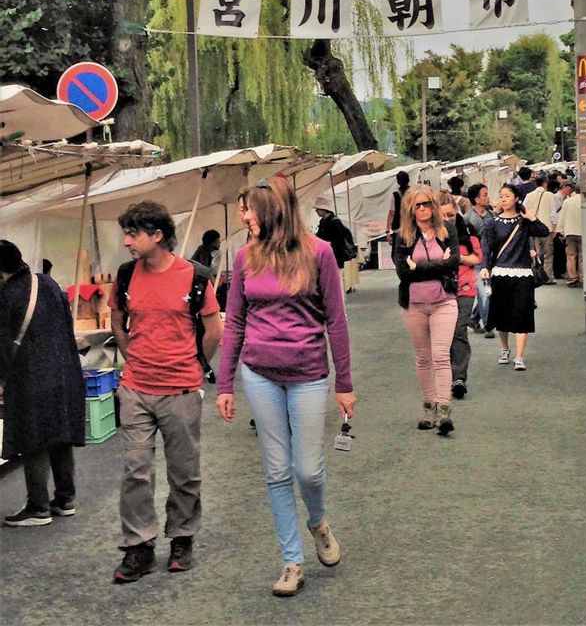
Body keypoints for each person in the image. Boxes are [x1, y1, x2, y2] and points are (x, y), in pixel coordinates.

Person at [216, 177, 356, 597]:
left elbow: (336, 321)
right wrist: (225, 382)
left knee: (307, 469)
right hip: (259, 373)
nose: (243, 216)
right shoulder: (245, 257)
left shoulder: (320, 253)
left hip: (309, 373)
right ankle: (291, 561)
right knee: (276, 471)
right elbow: (235, 321)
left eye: (249, 209)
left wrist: (344, 383)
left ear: (273, 211)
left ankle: (318, 522)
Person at [109, 201, 223, 582]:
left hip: (181, 389)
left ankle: (182, 538)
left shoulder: (194, 277)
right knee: (135, 471)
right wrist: (136, 360)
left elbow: (213, 330)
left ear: (157, 236)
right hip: (136, 388)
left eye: (132, 234)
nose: (126, 241)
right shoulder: (126, 276)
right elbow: (118, 322)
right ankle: (138, 546)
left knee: (184, 471)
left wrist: (192, 366)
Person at [0, 240, 85, 527]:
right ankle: (65, 499)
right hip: (65, 372)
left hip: (31, 377)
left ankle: (38, 507)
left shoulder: (7, 295)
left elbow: (2, 346)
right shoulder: (47, 283)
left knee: (33, 440)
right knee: (60, 436)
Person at [394, 185, 460, 435]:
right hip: (414, 305)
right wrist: (436, 264)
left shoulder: (447, 230)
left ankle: (444, 410)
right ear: (410, 209)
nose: (422, 209)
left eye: (426, 204)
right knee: (423, 357)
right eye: (417, 205)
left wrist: (418, 267)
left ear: (434, 206)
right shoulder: (403, 236)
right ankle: (428, 408)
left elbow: (453, 263)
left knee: (441, 355)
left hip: (444, 301)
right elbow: (402, 272)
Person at [481, 184, 550, 371]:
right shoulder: (492, 223)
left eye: (507, 196)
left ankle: (519, 356)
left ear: (516, 199)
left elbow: (544, 231)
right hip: (500, 272)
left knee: (522, 313)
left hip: (523, 273)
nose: (503, 199)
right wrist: (485, 267)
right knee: (501, 313)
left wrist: (532, 218)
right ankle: (505, 348)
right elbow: (487, 248)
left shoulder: (525, 222)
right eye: (501, 196)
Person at [439, 193, 482, 400]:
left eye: (451, 214)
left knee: (459, 330)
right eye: (444, 215)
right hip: (439, 290)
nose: (448, 218)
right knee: (442, 334)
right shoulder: (431, 234)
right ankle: (444, 374)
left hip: (465, 288)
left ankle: (459, 377)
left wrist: (458, 258)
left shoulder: (466, 230)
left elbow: (477, 257)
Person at [463, 182, 495, 338]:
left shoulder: (492, 215)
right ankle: (488, 326)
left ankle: (474, 318)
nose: (488, 197)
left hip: (490, 258)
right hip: (476, 260)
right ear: (476, 199)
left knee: (490, 292)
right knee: (483, 293)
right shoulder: (467, 218)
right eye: (485, 194)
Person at [524, 173, 558, 284]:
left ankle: (535, 275)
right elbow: (553, 213)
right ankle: (548, 276)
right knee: (548, 254)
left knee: (535, 254)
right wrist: (554, 228)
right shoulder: (550, 195)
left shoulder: (529, 195)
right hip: (546, 228)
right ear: (545, 183)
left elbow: (523, 211)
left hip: (532, 229)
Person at [556, 183, 583, 287]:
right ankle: (582, 276)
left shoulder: (567, 201)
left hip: (570, 232)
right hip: (583, 232)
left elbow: (562, 217)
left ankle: (572, 277)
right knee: (582, 256)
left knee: (571, 256)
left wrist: (560, 230)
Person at [386, 169, 411, 249]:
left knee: (398, 251)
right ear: (408, 180)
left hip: (398, 228)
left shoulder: (395, 195)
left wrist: (388, 230)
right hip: (412, 226)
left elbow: (391, 213)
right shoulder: (414, 194)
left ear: (398, 182)